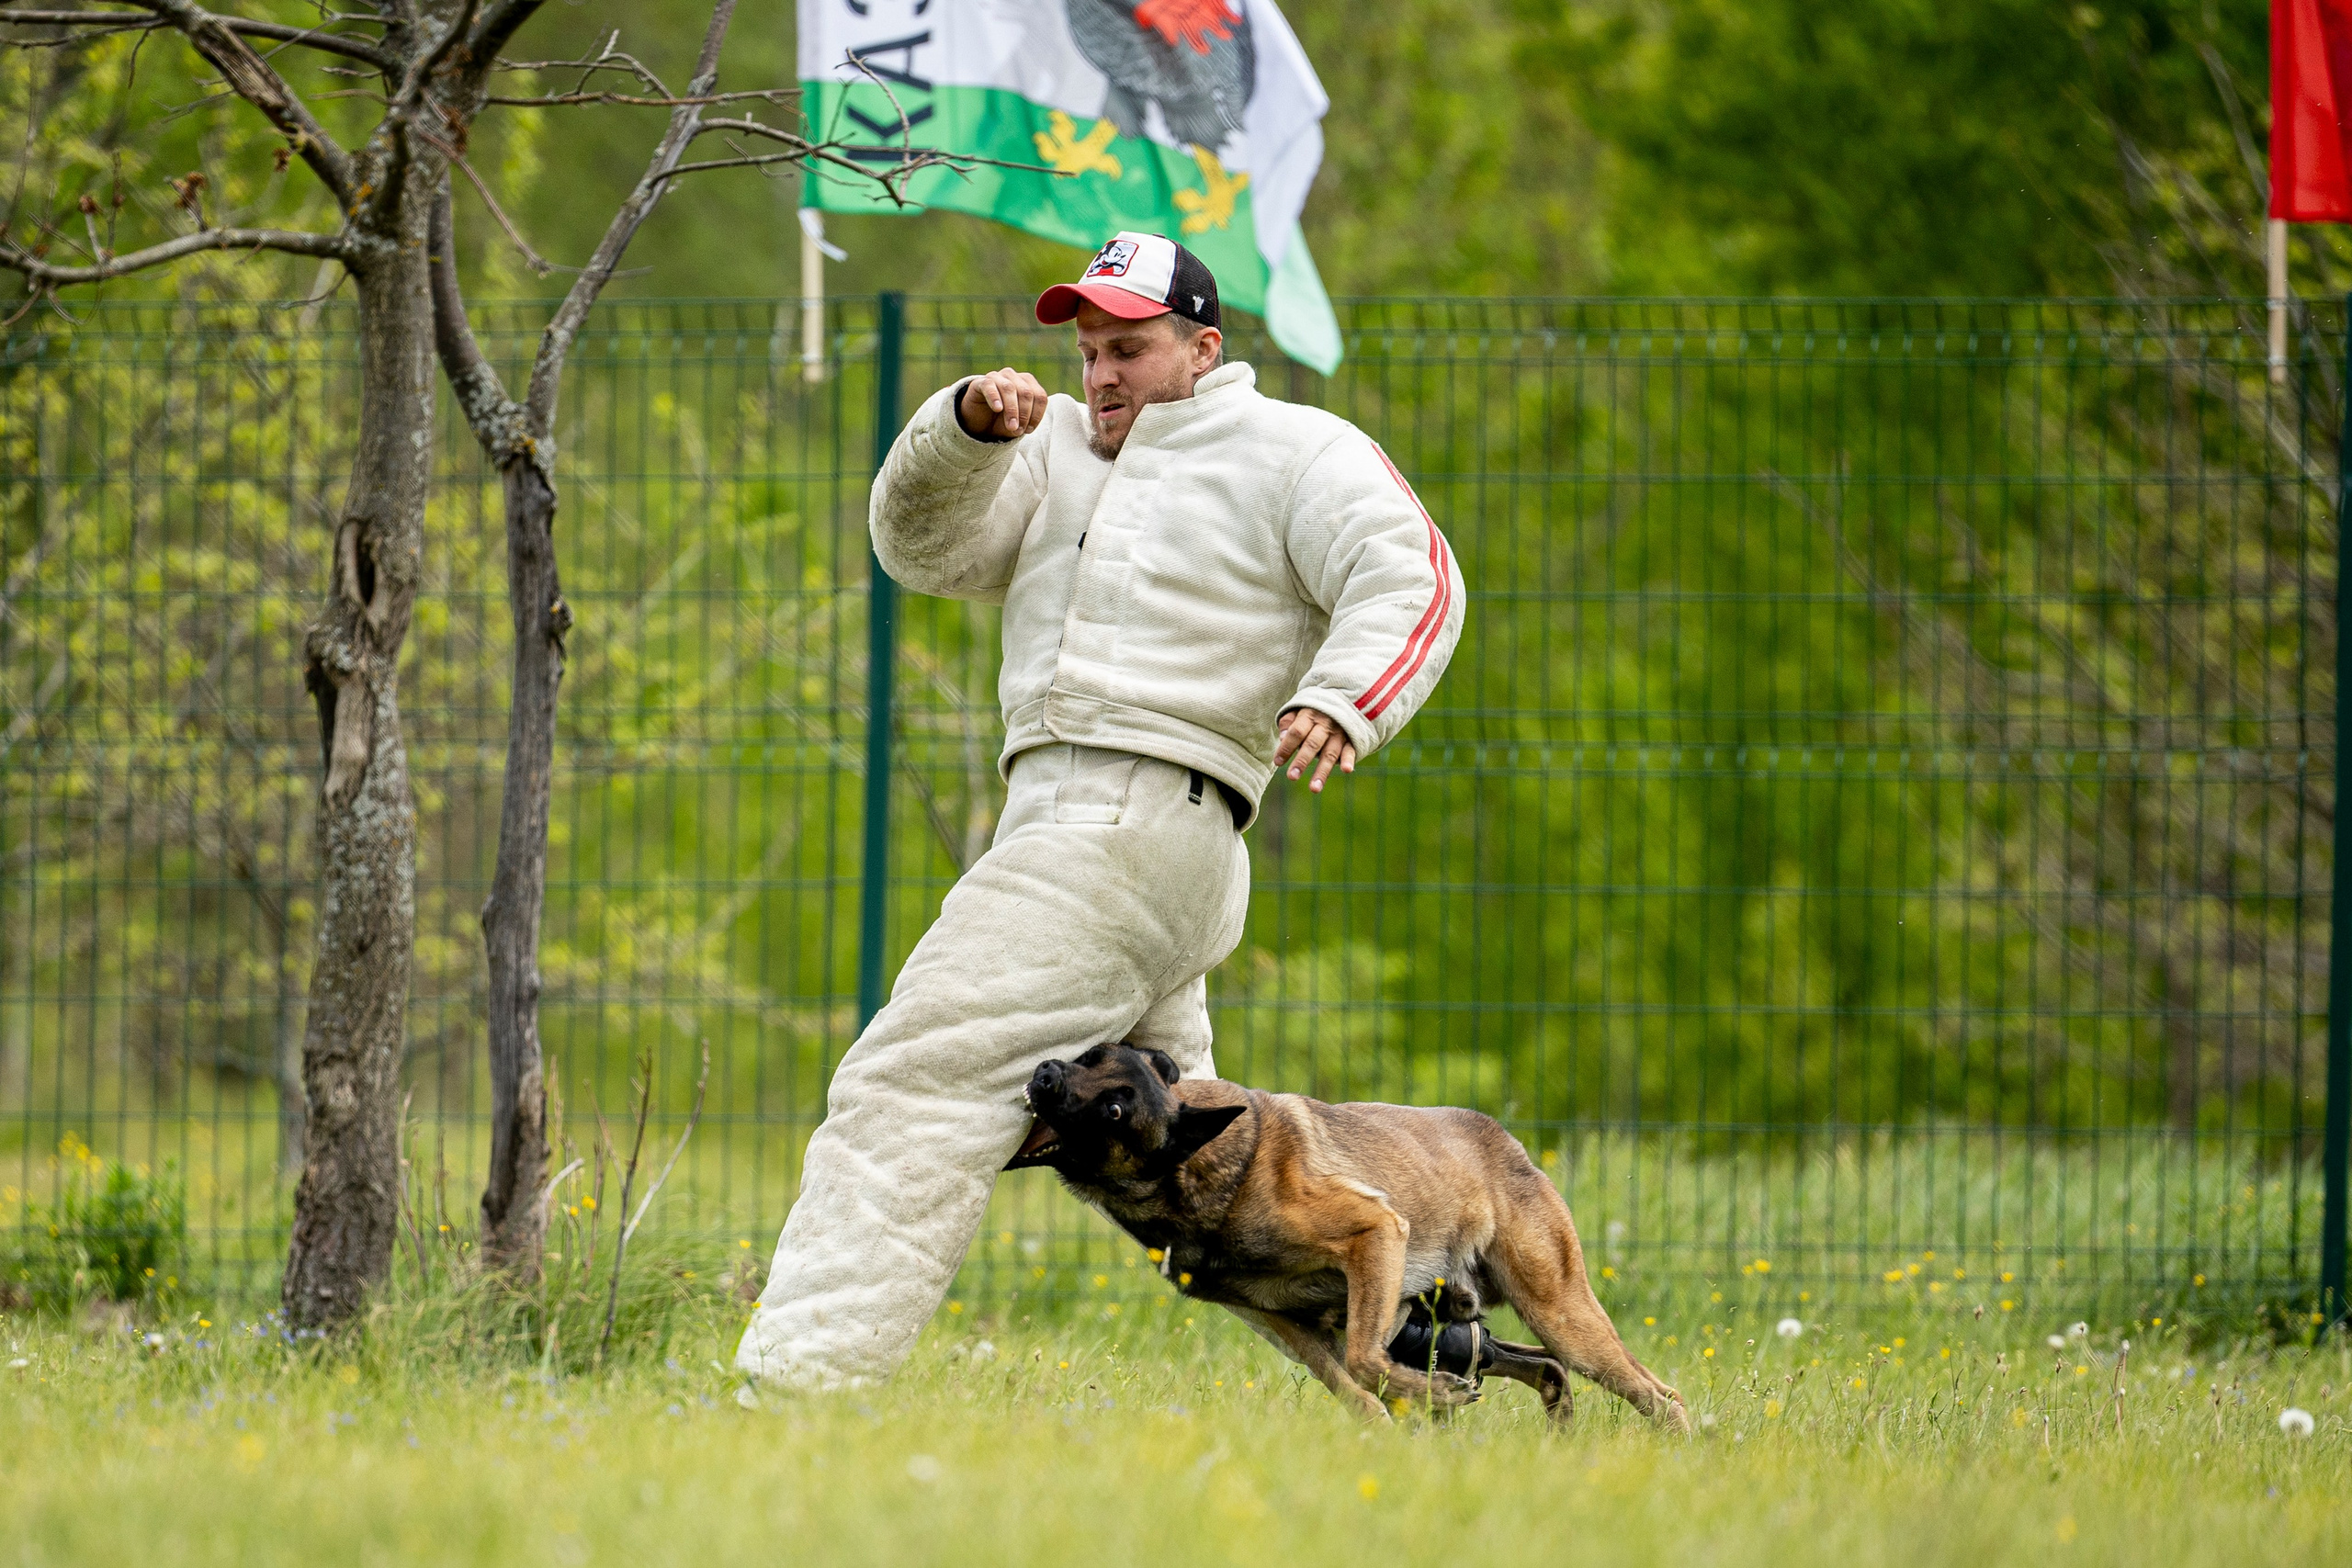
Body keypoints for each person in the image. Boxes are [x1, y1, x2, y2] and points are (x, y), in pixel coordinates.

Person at [736, 231, 1465, 1388]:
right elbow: (919, 551)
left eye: (1128, 347)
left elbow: (1412, 569)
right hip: (1113, 842)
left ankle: (787, 1394)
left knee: (912, 1085)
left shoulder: (1292, 449)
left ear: (1203, 347)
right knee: (1199, 1177)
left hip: (1122, 827)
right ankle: (1419, 1317)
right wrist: (963, 432)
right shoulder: (1053, 449)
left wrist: (1347, 698)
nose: (1101, 375)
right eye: (1087, 351)